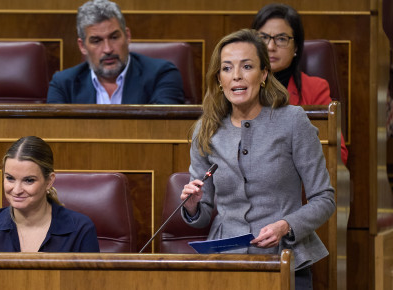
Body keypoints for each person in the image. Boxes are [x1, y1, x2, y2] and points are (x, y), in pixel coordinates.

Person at [180, 29, 336, 290]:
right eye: (227, 68)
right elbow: (203, 214)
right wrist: (193, 206)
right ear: (219, 78)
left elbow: (325, 199)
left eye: (247, 66)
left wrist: (286, 225)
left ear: (263, 74)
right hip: (226, 264)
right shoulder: (205, 130)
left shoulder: (292, 121)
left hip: (284, 260)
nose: (237, 76)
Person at [0, 136, 99, 252]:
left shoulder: (81, 229)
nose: (17, 190)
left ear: (49, 181)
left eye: (29, 180)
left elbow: (90, 283)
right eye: (10, 178)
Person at [251, 3, 348, 165]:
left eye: (281, 39)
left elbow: (338, 153)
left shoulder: (315, 89)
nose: (270, 47)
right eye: (264, 38)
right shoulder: (237, 86)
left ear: (295, 47)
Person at [46, 0, 184, 104]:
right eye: (96, 41)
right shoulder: (63, 84)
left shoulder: (162, 75)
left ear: (127, 36)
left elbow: (164, 130)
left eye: (114, 37)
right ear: (82, 46)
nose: (108, 49)